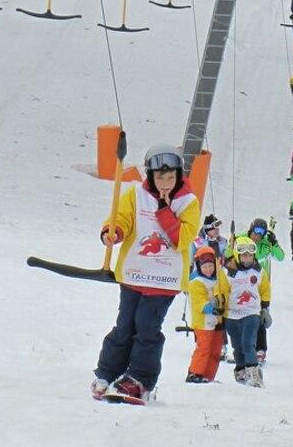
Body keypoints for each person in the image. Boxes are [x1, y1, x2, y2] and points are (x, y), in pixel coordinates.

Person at [93, 144, 200, 404]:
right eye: (160, 177)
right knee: (124, 326)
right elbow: (123, 219)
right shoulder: (135, 194)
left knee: (146, 327)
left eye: (170, 177)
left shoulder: (188, 202)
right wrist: (114, 231)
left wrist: (165, 211)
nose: (165, 183)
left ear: (178, 176)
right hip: (134, 273)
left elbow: (182, 238)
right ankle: (109, 372)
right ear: (150, 176)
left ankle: (140, 378)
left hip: (164, 280)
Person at [216, 236, 270, 387]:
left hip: (251, 313)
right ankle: (240, 370)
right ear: (237, 255)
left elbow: (265, 289)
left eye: (250, 256)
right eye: (244, 256)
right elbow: (221, 290)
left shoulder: (259, 272)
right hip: (232, 314)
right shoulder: (227, 272)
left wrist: (265, 308)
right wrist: (220, 304)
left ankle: (254, 372)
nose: (247, 259)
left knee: (248, 343)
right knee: (238, 346)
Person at [246, 218, 284, 363]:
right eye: (256, 231)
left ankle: (260, 349)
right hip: (243, 285)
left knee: (260, 317)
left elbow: (280, 257)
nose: (258, 235)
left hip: (261, 288)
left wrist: (274, 244)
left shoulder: (266, 245)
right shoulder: (243, 241)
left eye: (262, 233)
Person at [186, 245, 225, 383]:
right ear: (199, 266)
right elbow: (198, 304)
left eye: (211, 266)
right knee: (204, 348)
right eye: (205, 266)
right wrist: (212, 308)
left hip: (218, 320)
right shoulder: (196, 282)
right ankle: (196, 373)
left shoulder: (219, 278)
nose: (208, 269)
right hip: (203, 322)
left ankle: (208, 375)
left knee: (215, 350)